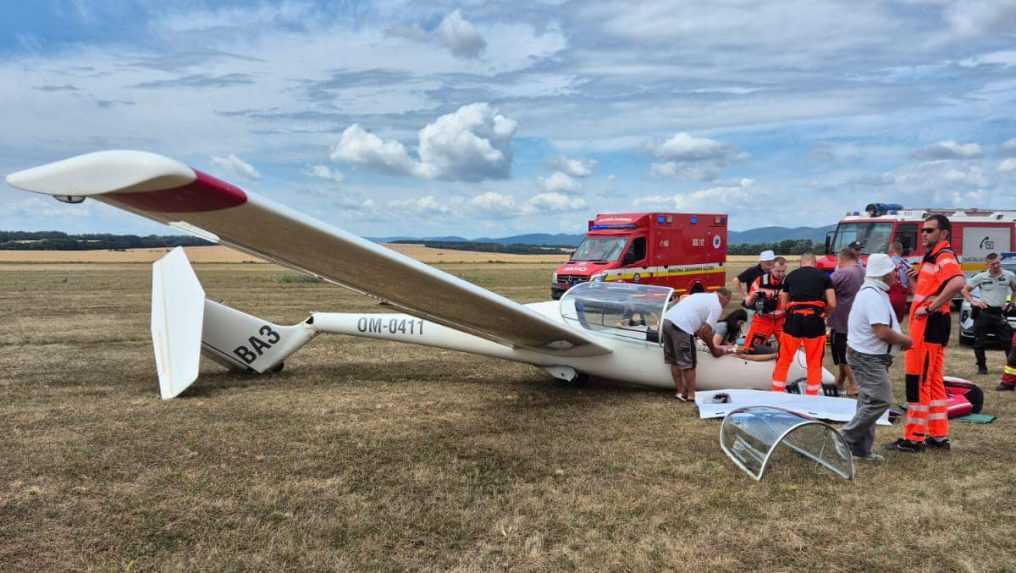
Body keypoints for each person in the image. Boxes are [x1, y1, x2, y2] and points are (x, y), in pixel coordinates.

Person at [886, 214, 966, 453]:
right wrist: (915, 283)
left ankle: (914, 438)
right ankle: (939, 436)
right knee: (931, 383)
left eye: (929, 231)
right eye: (923, 231)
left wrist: (930, 307)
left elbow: (957, 282)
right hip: (929, 327)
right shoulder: (931, 258)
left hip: (928, 329)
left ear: (943, 234)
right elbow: (929, 291)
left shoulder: (943, 256)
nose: (924, 234)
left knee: (917, 380)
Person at [841, 254, 914, 462]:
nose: (895, 274)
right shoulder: (872, 295)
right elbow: (881, 331)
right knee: (880, 400)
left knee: (867, 401)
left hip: (870, 356)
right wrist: (905, 341)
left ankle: (860, 450)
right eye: (892, 271)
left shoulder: (875, 291)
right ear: (885, 274)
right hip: (868, 358)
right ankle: (844, 438)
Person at [771, 252, 835, 396]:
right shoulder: (824, 277)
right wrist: (825, 314)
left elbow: (783, 303)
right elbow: (832, 303)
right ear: (815, 263)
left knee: (784, 359)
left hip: (794, 320)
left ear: (801, 263)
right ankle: (811, 394)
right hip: (815, 321)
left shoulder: (790, 276)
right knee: (814, 360)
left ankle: (776, 391)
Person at [661, 288, 733, 401]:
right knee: (689, 363)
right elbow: (706, 332)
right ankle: (691, 395)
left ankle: (680, 391)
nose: (724, 307)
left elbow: (701, 331)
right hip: (682, 326)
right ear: (725, 298)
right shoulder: (716, 305)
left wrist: (707, 340)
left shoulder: (700, 295)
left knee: (674, 360)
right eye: (726, 304)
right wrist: (714, 349)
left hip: (666, 321)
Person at [962, 253, 1016, 375]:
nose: (996, 266)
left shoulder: (1009, 275)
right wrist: (973, 301)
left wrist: (1012, 302)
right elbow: (964, 290)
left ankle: (1011, 367)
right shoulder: (981, 276)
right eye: (993, 264)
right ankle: (982, 367)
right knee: (979, 342)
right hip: (984, 313)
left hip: (999, 314)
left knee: (1007, 341)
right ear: (987, 265)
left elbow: (1015, 289)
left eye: (998, 263)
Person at [829, 248, 865, 396]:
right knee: (850, 350)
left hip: (841, 319)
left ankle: (854, 384)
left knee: (842, 353)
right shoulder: (864, 271)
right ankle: (840, 381)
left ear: (842, 259)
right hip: (859, 319)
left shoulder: (841, 273)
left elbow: (826, 290)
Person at [742, 257, 787, 353]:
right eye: (778, 271)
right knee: (749, 349)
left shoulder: (789, 282)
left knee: (789, 349)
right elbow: (748, 303)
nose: (781, 274)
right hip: (762, 319)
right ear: (771, 268)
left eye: (783, 271)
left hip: (781, 321)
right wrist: (752, 297)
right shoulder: (760, 281)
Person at [887, 241, 911, 322]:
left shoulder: (888, 262)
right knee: (897, 322)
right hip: (903, 296)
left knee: (888, 320)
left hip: (890, 295)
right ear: (901, 250)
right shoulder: (907, 263)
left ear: (892, 249)